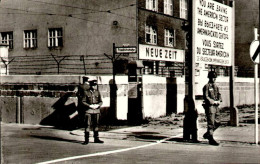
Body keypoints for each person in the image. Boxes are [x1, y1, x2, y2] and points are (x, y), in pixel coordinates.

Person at [77, 76, 104, 145]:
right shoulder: (86, 92)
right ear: (90, 85)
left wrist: (98, 105)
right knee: (87, 125)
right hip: (88, 110)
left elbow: (101, 101)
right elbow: (83, 101)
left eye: (95, 85)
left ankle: (96, 138)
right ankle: (86, 139)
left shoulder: (97, 92)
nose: (94, 86)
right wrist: (89, 105)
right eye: (93, 85)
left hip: (96, 110)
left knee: (96, 124)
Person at [202, 71, 222, 146]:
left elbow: (219, 94)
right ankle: (211, 139)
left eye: (215, 78)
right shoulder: (207, 86)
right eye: (212, 78)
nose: (214, 79)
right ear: (209, 78)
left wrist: (219, 100)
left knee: (218, 122)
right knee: (211, 123)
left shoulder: (216, 86)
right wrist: (212, 101)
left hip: (216, 106)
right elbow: (206, 96)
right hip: (210, 106)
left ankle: (208, 133)